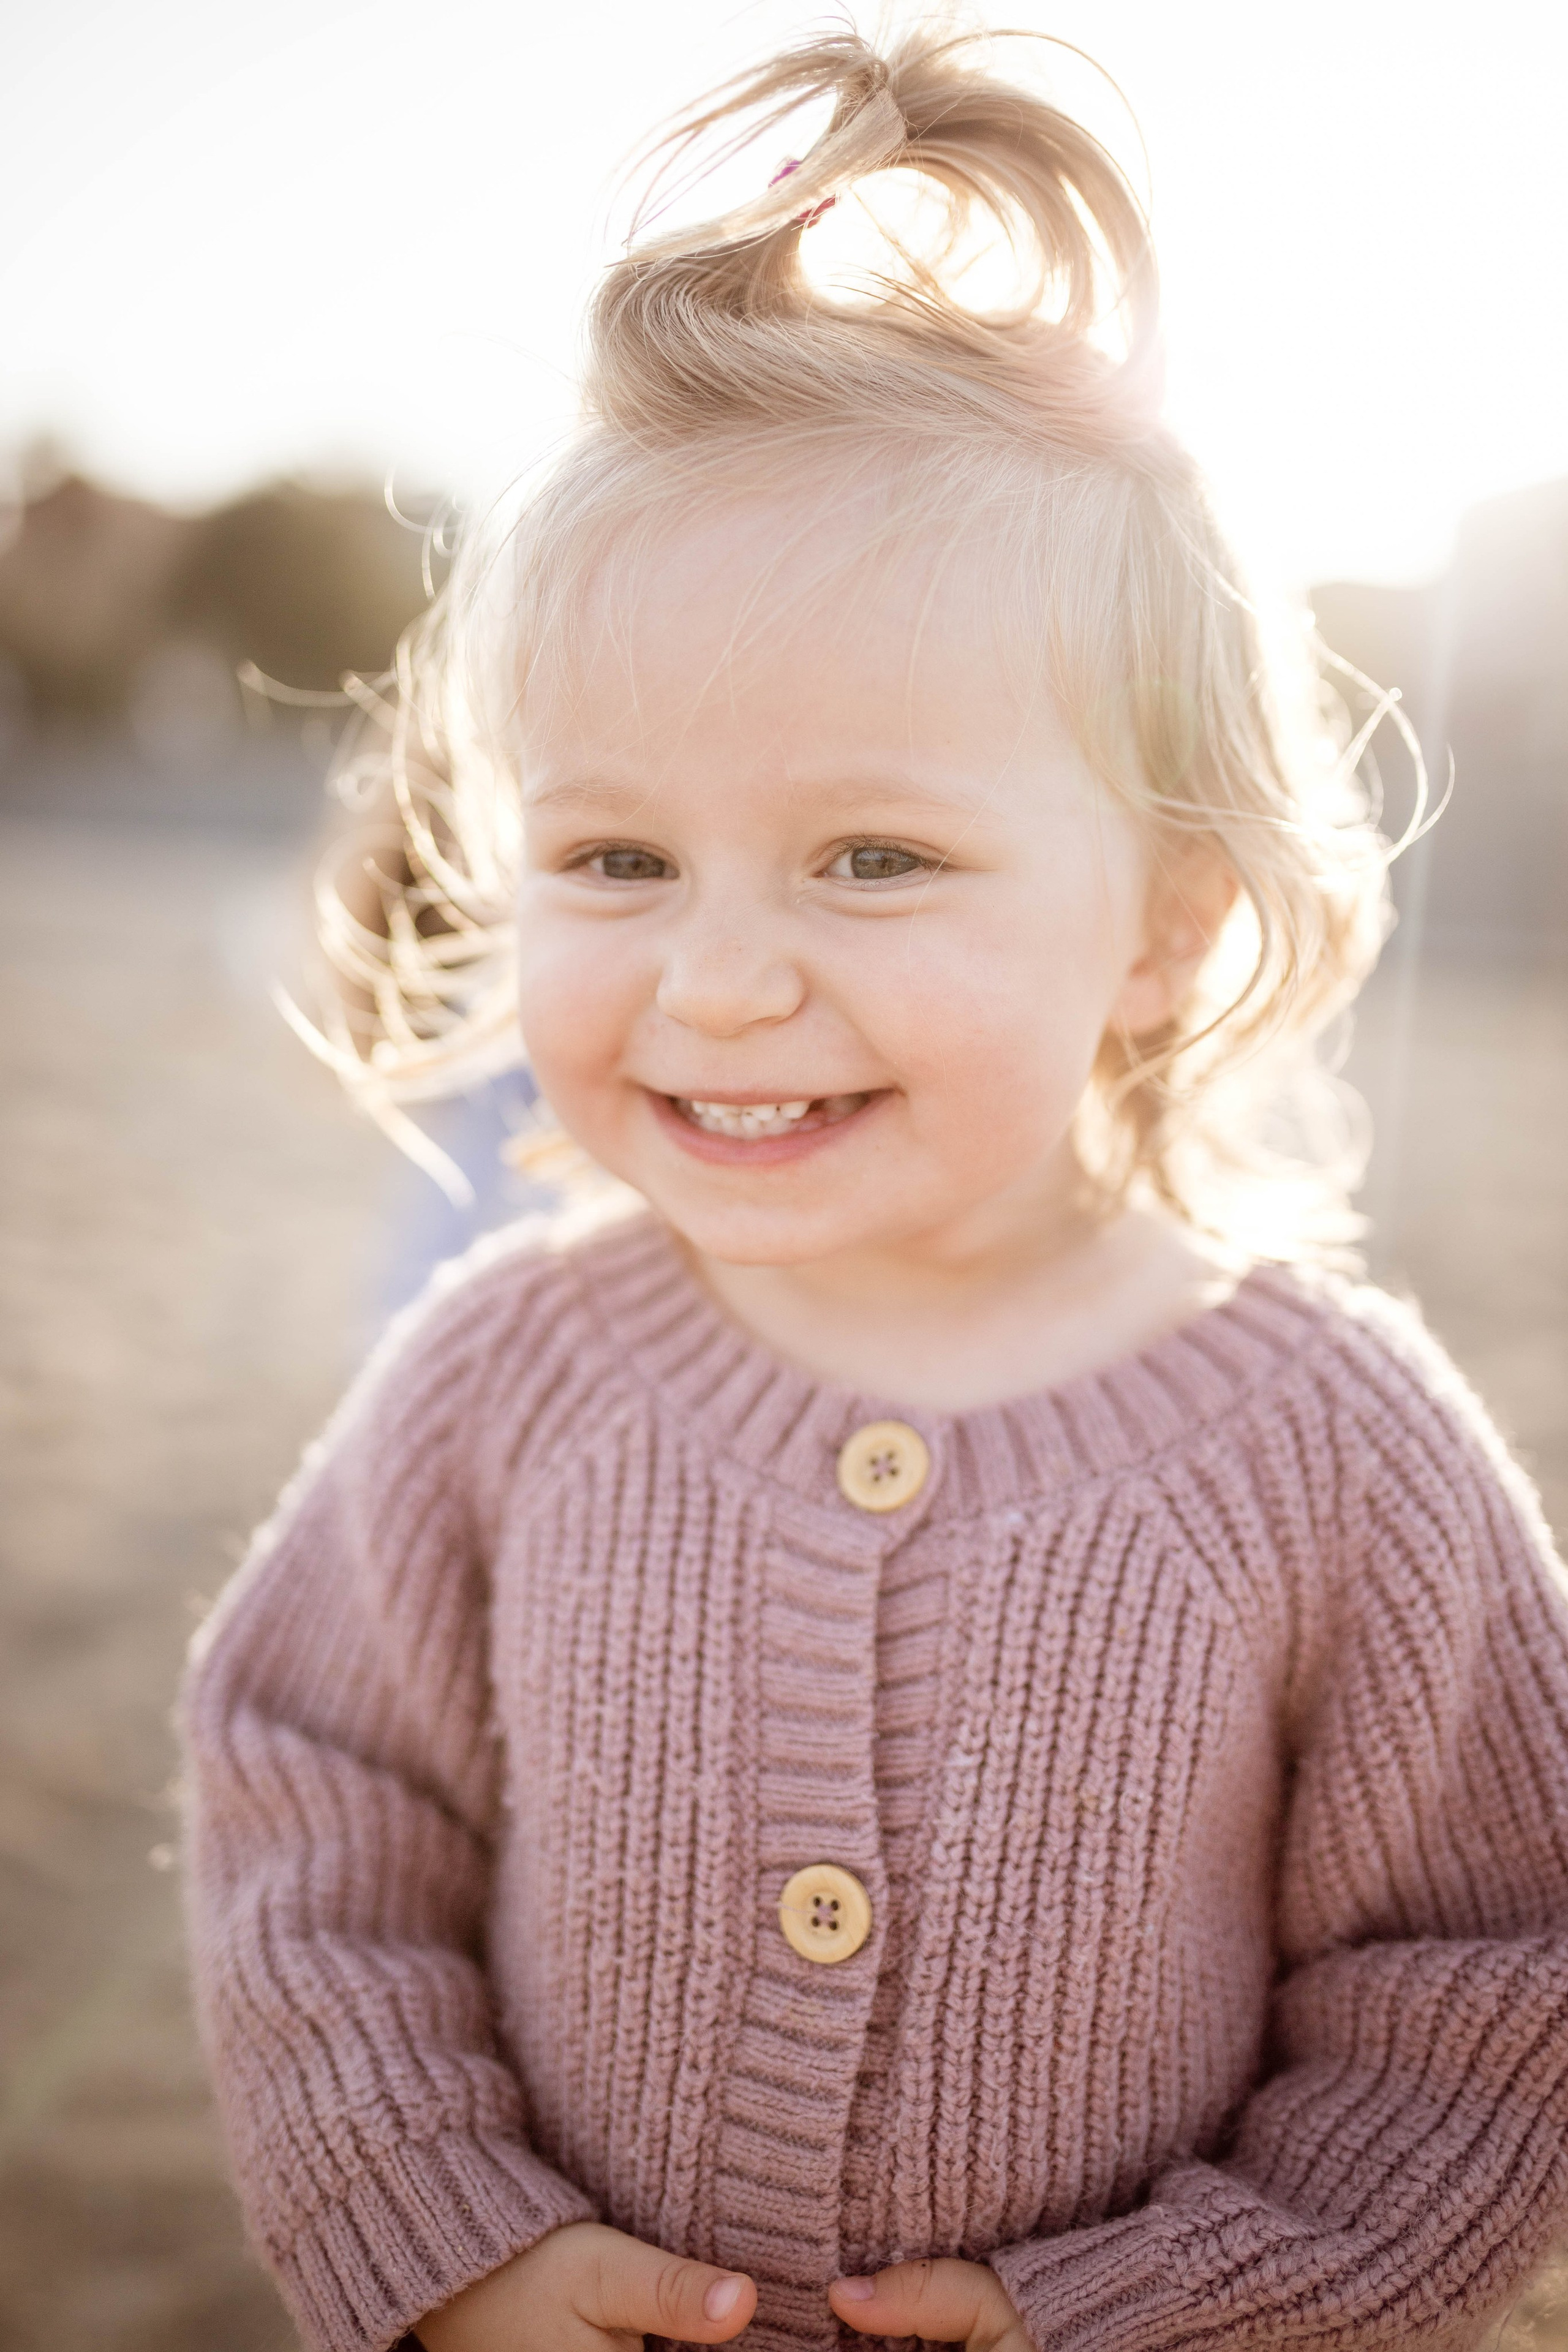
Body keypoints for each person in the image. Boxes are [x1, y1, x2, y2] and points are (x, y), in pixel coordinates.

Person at [180, 24, 1568, 2352]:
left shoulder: (1331, 1453)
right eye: (616, 855)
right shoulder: (508, 1372)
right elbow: (313, 1805)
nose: (717, 980)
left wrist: (1179, 2306)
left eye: (874, 856)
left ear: (1169, 927)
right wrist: (443, 2232)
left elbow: (1490, 1972)